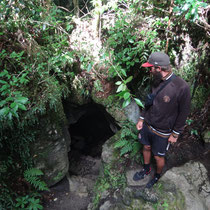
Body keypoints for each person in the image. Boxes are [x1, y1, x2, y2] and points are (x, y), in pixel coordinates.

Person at [133, 52, 191, 188]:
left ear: (158, 68)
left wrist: (175, 133)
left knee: (158, 156)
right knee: (146, 147)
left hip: (163, 131)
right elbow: (149, 101)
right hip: (148, 124)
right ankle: (146, 169)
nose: (149, 70)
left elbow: (184, 113)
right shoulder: (156, 80)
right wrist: (142, 118)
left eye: (150, 68)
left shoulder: (182, 87)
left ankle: (157, 176)